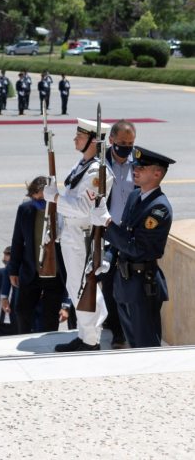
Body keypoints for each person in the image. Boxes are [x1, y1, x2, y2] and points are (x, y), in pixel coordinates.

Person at [90, 147, 173, 349]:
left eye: (141, 168)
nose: (135, 170)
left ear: (157, 173)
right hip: (125, 283)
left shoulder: (159, 208)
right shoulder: (135, 196)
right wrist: (107, 258)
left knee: (146, 346)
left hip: (143, 285)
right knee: (133, 345)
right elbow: (123, 234)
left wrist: (107, 223)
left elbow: (137, 248)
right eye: (135, 166)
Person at [45, 117, 113, 352]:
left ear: (93, 141)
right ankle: (86, 335)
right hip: (71, 233)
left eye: (80, 136)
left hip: (82, 236)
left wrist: (55, 198)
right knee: (76, 286)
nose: (75, 139)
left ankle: (91, 339)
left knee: (83, 286)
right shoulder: (82, 165)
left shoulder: (98, 172)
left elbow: (83, 208)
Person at [8, 177, 64, 334]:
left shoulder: (61, 210)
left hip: (55, 273)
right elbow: (17, 240)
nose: (39, 203)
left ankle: (49, 343)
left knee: (50, 316)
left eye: (42, 199)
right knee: (22, 311)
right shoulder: (25, 210)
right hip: (32, 271)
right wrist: (13, 270)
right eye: (36, 199)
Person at [103, 119, 137, 348]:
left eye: (130, 143)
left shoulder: (140, 162)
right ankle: (116, 331)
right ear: (111, 139)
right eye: (122, 142)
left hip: (132, 234)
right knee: (108, 285)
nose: (126, 147)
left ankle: (129, 327)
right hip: (107, 233)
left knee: (131, 284)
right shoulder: (100, 163)